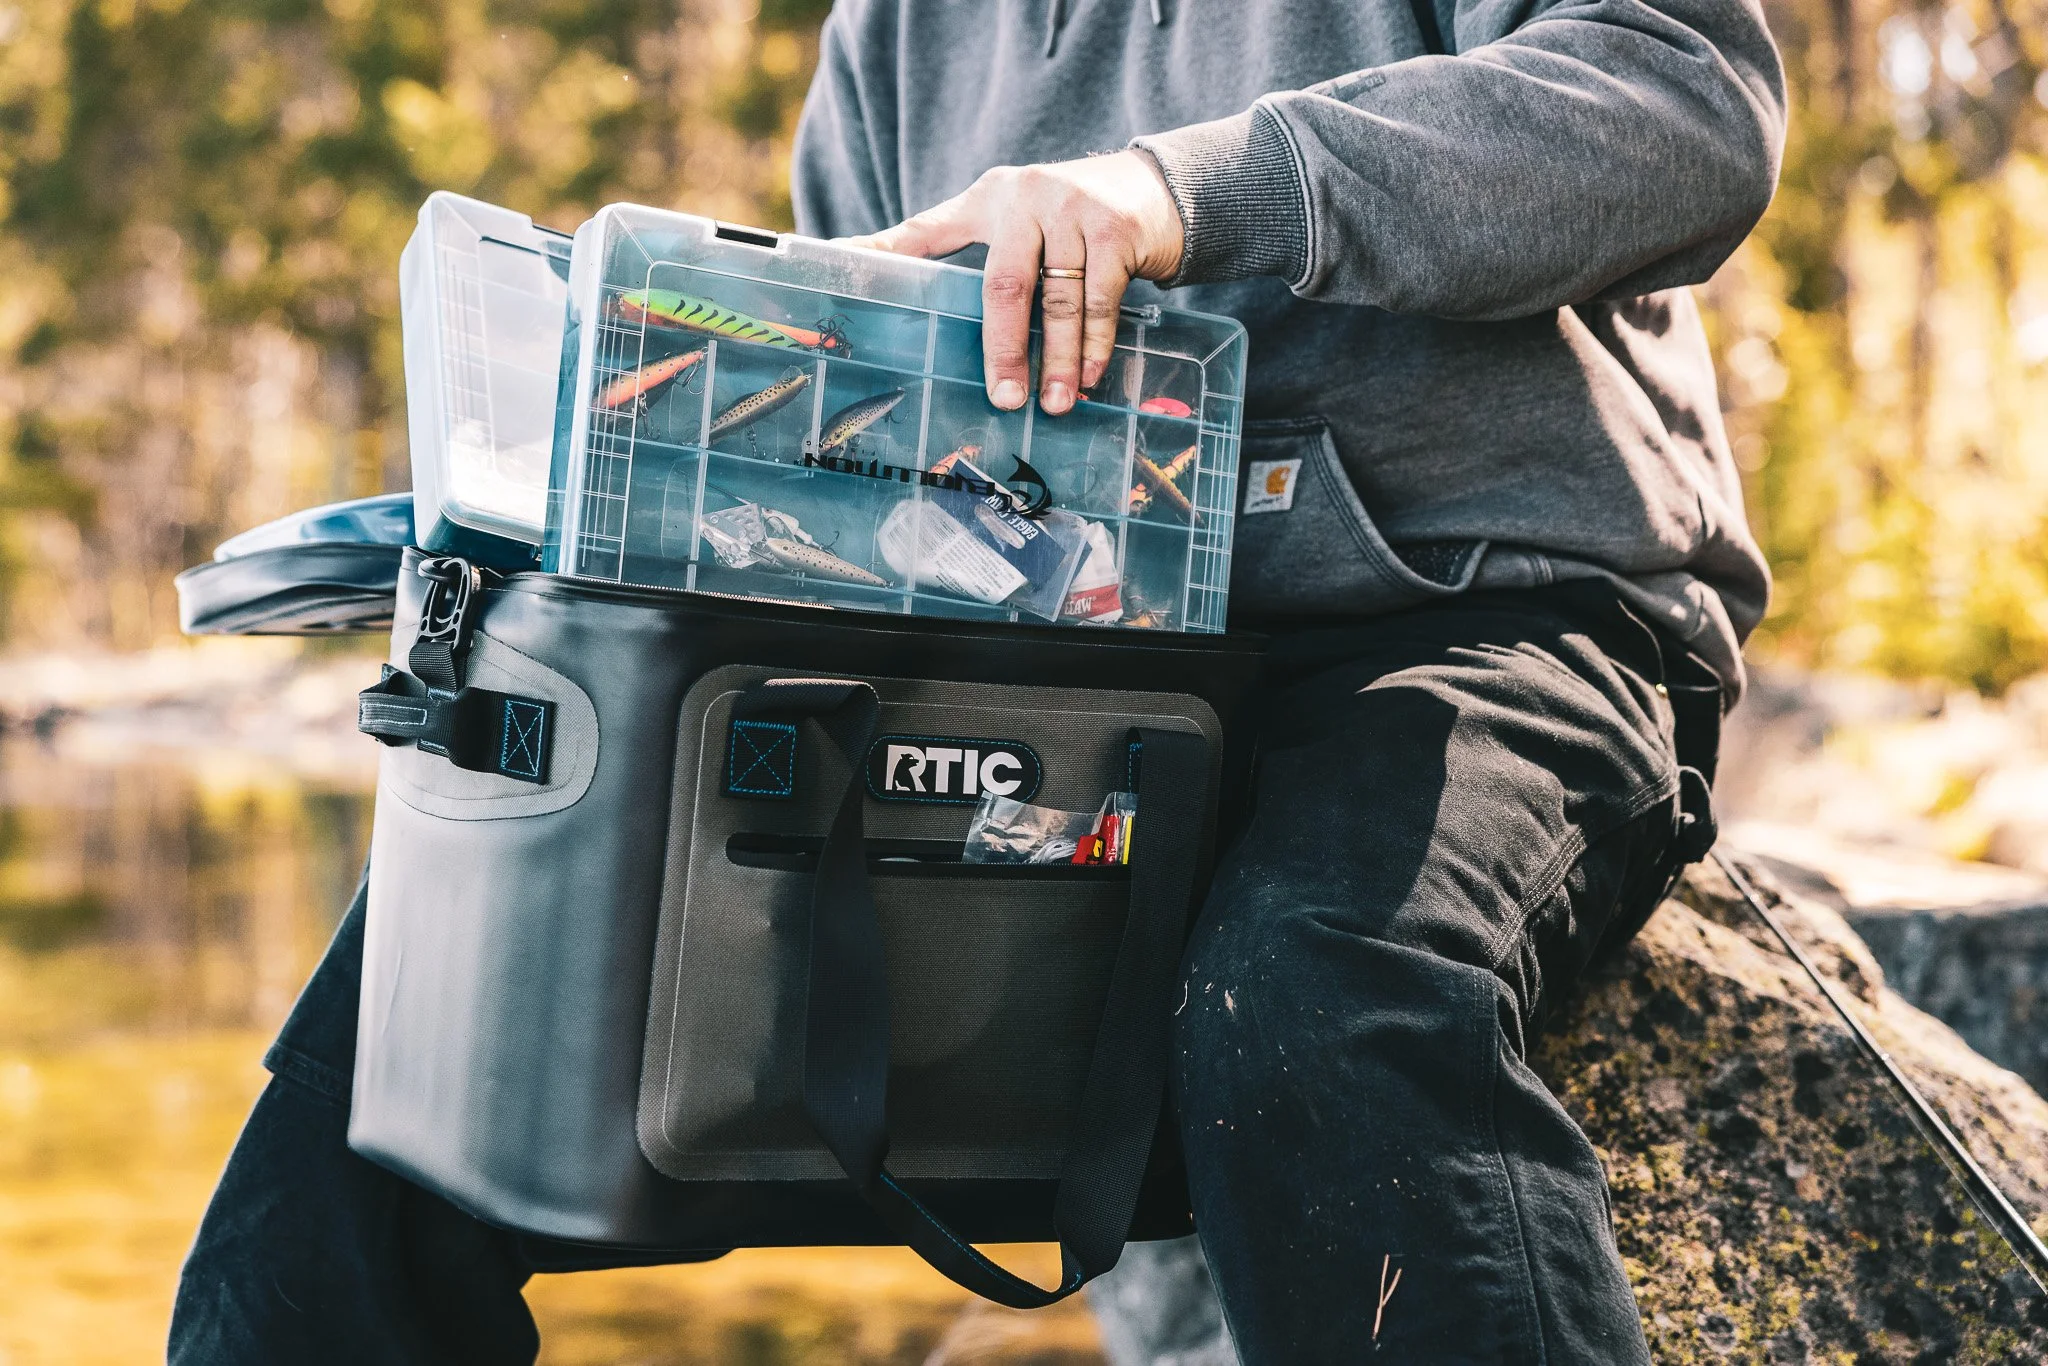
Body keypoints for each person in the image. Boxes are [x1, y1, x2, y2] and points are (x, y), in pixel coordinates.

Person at [169, 1, 1784, 1361]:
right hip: (1036, 658)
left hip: (1482, 617)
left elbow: (1687, 104)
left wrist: (1183, 194)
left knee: (1314, 993)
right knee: (421, 1039)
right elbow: (851, 396)